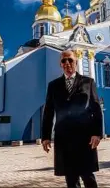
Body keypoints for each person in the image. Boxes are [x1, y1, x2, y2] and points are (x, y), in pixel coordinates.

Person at [42, 50, 103, 188]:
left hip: (85, 137)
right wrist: (45, 136)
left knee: (88, 175)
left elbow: (96, 110)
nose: (67, 63)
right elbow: (48, 111)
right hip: (64, 137)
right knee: (70, 178)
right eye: (64, 61)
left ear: (76, 62)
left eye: (70, 60)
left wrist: (97, 133)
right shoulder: (53, 85)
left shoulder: (88, 82)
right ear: (60, 64)